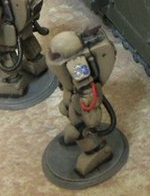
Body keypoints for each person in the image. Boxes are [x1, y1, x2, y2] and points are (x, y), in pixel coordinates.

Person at [47, 27, 118, 177]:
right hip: (75, 103)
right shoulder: (67, 71)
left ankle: (96, 150)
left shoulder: (78, 67)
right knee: (72, 124)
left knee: (79, 131)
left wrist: (87, 121)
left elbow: (90, 103)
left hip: (83, 110)